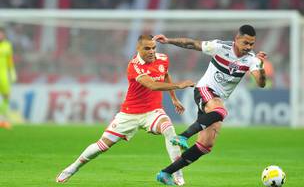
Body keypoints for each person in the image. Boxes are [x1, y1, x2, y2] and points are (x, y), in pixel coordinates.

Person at [56, 35, 195, 185]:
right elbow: (152, 85)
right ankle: (71, 169)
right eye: (147, 48)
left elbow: (165, 75)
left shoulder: (162, 58)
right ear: (138, 49)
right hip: (130, 114)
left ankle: (177, 174)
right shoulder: (134, 66)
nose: (151, 51)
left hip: (153, 112)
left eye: (153, 48)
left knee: (169, 129)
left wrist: (174, 98)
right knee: (101, 146)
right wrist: (179, 85)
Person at [152, 25, 267, 185]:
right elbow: (191, 44)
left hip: (216, 100)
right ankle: (183, 136)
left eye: (252, 44)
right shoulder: (220, 47)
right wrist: (169, 40)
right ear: (237, 39)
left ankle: (165, 173)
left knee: (205, 145)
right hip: (204, 89)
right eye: (245, 43)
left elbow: (261, 83)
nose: (248, 47)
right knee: (221, 111)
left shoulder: (252, 60)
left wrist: (260, 66)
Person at [0, 28, 17, 129]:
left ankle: (2, 119)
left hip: (3, 75)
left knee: (7, 96)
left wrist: (12, 71)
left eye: (1, 34)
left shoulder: (7, 46)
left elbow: (10, 60)